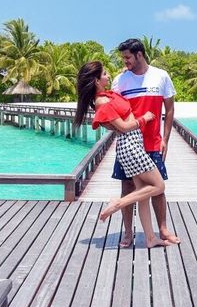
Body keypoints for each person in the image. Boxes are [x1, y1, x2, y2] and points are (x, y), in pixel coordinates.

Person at [73, 61, 171, 249]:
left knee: (143, 195)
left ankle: (150, 238)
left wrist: (127, 72)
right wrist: (146, 118)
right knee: (158, 185)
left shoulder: (107, 96)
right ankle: (117, 203)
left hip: (134, 145)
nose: (108, 76)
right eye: (104, 74)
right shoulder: (102, 102)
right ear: (96, 80)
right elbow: (124, 127)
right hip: (130, 146)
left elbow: (120, 106)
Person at [112, 38, 181, 248]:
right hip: (129, 144)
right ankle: (127, 232)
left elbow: (169, 109)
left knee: (158, 188)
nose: (125, 62)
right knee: (127, 186)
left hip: (153, 142)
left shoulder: (161, 76)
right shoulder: (120, 81)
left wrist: (166, 140)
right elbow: (113, 112)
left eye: (128, 57)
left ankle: (162, 229)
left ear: (139, 54)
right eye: (124, 57)